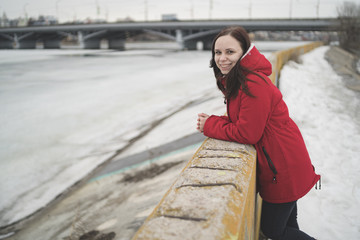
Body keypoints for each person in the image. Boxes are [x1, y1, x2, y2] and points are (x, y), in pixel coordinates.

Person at [196, 26, 320, 240]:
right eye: (218, 52)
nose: (222, 58)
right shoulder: (243, 80)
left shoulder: (252, 83)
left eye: (230, 52)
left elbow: (247, 133)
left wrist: (209, 126)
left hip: (283, 168)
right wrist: (214, 120)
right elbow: (246, 120)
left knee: (273, 231)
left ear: (243, 53)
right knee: (289, 225)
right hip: (284, 162)